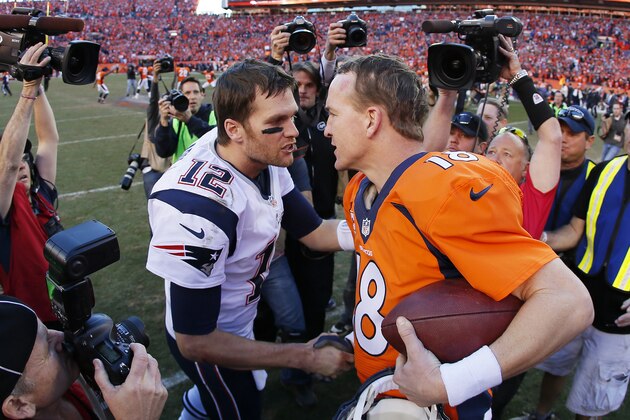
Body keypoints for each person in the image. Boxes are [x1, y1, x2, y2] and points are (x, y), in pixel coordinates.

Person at [324, 53, 593, 419]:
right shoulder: (361, 189)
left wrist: (451, 381)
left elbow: (569, 301)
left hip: (435, 406)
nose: (326, 127)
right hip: (380, 387)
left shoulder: (442, 189)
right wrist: (362, 337)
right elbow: (398, 288)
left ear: (371, 119)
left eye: (334, 114)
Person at [146, 59, 355, 419]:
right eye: (276, 123)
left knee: (218, 402)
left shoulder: (258, 148)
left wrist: (376, 232)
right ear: (234, 129)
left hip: (239, 319)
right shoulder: (198, 211)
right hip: (212, 338)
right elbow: (195, 340)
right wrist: (303, 356)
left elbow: (314, 231)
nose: (293, 131)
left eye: (291, 116)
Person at [491, 105, 596, 419]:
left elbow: (577, 232)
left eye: (572, 133)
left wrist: (536, 240)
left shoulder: (595, 176)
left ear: (589, 141)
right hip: (520, 273)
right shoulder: (519, 182)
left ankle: (542, 412)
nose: (563, 138)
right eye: (559, 129)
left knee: (545, 358)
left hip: (562, 277)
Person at [523, 129, 630, 420]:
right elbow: (574, 231)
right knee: (557, 363)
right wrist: (538, 238)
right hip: (579, 291)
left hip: (620, 312)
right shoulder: (605, 171)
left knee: (595, 390)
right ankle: (541, 415)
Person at [0, 295, 167, 420]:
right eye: (47, 347)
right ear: (19, 405)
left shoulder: (72, 384)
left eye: (47, 330)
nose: (61, 337)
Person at [0, 43, 64, 327]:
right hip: (32, 330)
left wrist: (37, 86)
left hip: (66, 311)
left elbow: (49, 139)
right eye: (18, 159)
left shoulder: (42, 194)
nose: (23, 163)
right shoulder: (5, 208)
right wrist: (26, 91)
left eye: (27, 157)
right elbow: (9, 166)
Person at [153, 76, 216, 162]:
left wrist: (190, 120)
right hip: (180, 173)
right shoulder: (175, 120)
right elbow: (164, 152)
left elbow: (218, 142)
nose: (192, 97)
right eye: (187, 93)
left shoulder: (214, 116)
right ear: (180, 96)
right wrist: (164, 121)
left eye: (196, 92)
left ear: (202, 94)